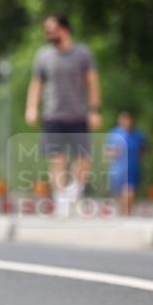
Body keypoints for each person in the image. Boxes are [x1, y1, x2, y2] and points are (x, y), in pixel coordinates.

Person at [25, 14, 102, 213]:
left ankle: (74, 191)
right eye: (46, 30)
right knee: (56, 158)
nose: (48, 34)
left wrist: (95, 110)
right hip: (53, 115)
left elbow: (92, 82)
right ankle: (60, 200)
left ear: (65, 29)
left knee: (83, 158)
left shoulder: (83, 54)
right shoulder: (43, 56)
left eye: (51, 30)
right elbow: (36, 83)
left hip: (78, 114)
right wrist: (31, 107)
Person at [105, 110, 147, 215]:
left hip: (132, 169)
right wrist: (114, 152)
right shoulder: (114, 134)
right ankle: (123, 213)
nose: (126, 122)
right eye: (124, 119)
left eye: (128, 119)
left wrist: (140, 158)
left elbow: (143, 149)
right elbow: (107, 152)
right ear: (120, 121)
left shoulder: (137, 135)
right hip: (117, 170)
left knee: (129, 193)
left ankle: (127, 213)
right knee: (120, 194)